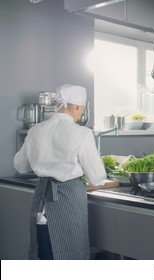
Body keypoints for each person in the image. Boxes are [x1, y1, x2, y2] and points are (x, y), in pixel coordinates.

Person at [14, 84, 106, 260]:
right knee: (70, 256)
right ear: (77, 107)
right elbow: (96, 177)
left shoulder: (35, 130)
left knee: (43, 255)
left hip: (41, 202)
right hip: (68, 201)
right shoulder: (83, 133)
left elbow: (20, 166)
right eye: (82, 109)